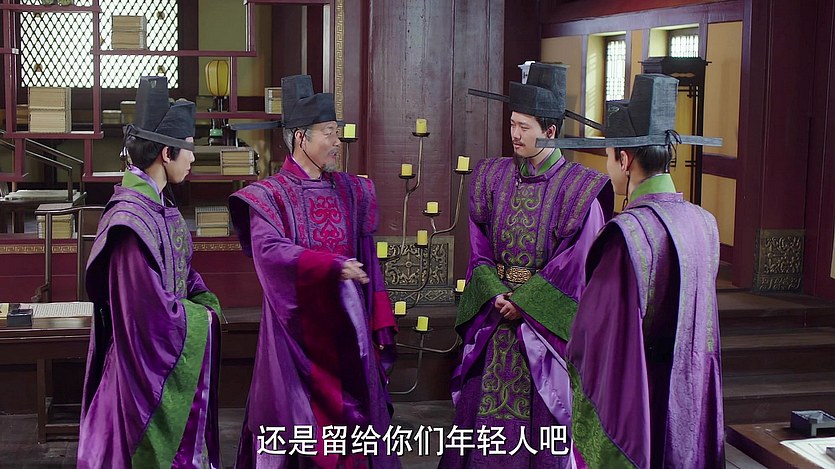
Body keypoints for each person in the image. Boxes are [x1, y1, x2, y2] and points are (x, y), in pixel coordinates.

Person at [538, 73, 724, 468]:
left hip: (642, 402)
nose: (609, 165)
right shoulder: (705, 223)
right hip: (690, 392)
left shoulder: (627, 235)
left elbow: (599, 337)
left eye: (609, 156)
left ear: (624, 160)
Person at [440, 62, 614, 468]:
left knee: (541, 433)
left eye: (524, 127)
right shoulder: (491, 176)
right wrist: (495, 293)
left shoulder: (580, 188)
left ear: (550, 131)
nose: (514, 134)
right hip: (496, 316)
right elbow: (479, 248)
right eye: (512, 124)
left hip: (543, 332)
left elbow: (578, 264)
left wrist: (527, 303)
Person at [229, 74, 400, 468]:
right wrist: (331, 266)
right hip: (295, 339)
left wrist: (377, 316)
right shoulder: (268, 196)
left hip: (349, 333)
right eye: (328, 132)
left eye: (337, 132)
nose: (337, 142)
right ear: (300, 138)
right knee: (298, 432)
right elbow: (270, 253)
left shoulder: (353, 191)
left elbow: (368, 259)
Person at [78, 76, 222, 468]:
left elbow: (182, 271)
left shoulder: (161, 206)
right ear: (165, 153)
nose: (193, 159)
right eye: (188, 148)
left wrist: (201, 296)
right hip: (138, 379)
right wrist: (203, 319)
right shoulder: (130, 223)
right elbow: (147, 315)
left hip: (164, 363)